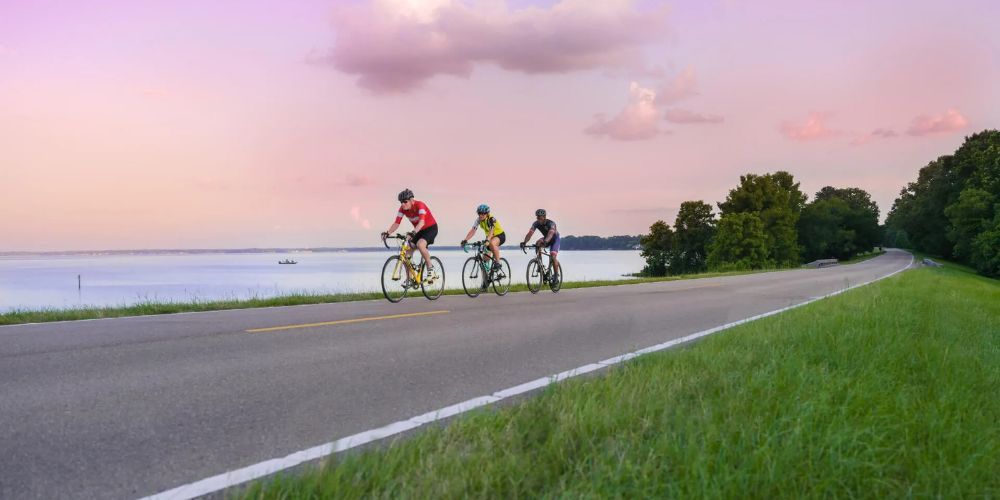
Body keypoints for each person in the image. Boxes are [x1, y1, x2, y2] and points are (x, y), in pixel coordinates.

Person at [381, 189, 438, 285]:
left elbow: (422, 222)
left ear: (412, 200)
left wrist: (413, 233)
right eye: (401, 202)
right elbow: (396, 223)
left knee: (420, 245)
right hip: (419, 230)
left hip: (430, 228)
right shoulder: (402, 209)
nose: (403, 204)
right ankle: (410, 279)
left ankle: (430, 270)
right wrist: (388, 233)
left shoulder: (420, 205)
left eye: (405, 201)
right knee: (407, 252)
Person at [461, 204, 505, 271]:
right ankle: (486, 280)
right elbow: (473, 230)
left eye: (483, 214)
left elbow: (491, 230)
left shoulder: (491, 219)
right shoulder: (478, 220)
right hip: (489, 238)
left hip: (499, 235)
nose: (481, 215)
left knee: (492, 243)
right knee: (484, 261)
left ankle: (498, 263)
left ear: (487, 213)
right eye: (479, 213)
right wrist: (465, 240)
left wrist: (487, 240)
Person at [520, 208, 560, 281]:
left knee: (553, 256)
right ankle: (539, 263)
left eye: (539, 217)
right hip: (546, 238)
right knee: (537, 243)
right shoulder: (536, 223)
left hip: (554, 239)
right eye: (537, 216)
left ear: (544, 217)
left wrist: (545, 241)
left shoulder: (551, 223)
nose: (538, 218)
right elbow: (530, 233)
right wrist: (524, 242)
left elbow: (551, 234)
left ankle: (556, 276)